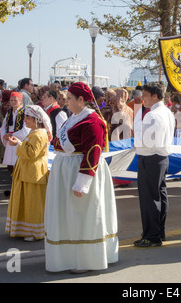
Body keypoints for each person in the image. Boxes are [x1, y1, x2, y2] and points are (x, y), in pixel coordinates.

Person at [44, 82, 118, 273]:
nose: (65, 102)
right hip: (66, 170)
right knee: (68, 214)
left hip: (80, 171)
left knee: (81, 215)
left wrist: (82, 183)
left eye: (69, 98)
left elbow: (92, 153)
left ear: (81, 100)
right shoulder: (74, 117)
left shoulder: (92, 121)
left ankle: (84, 259)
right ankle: (68, 256)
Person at [133, 82, 175, 247]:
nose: (143, 98)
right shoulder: (167, 111)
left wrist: (136, 138)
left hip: (150, 157)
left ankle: (151, 236)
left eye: (145, 95)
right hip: (161, 157)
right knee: (160, 195)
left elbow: (146, 140)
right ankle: (159, 231)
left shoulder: (152, 114)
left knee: (149, 198)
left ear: (155, 96)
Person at [5, 105, 52, 241]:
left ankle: (34, 232)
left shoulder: (39, 134)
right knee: (26, 200)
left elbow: (32, 154)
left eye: (28, 118)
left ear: (36, 119)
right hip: (27, 171)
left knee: (33, 202)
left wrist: (18, 144)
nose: (25, 120)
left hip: (34, 172)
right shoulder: (35, 133)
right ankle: (25, 229)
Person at [0, 92, 30, 196]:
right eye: (11, 100)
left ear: (20, 101)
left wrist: (13, 135)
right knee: (12, 166)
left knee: (20, 165)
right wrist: (5, 135)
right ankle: (14, 187)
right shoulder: (9, 113)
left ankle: (21, 188)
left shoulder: (25, 112)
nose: (13, 102)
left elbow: (27, 129)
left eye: (15, 100)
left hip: (19, 141)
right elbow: (3, 126)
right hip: (10, 141)